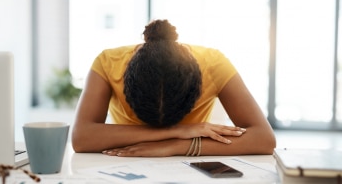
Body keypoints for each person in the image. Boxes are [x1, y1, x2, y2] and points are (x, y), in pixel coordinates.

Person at [72, 19, 276, 157]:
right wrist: (180, 130)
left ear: (197, 86)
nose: (163, 130)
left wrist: (175, 146)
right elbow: (81, 138)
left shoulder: (213, 64)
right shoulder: (108, 63)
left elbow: (264, 139)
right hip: (126, 162)